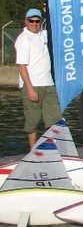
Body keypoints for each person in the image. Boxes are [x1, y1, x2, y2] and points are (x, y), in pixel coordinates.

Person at [15, 8, 62, 148]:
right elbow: (21, 66)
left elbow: (57, 25)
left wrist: (49, 10)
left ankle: (53, 147)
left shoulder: (43, 34)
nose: (34, 23)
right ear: (26, 21)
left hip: (48, 83)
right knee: (32, 120)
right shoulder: (23, 39)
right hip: (33, 85)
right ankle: (32, 149)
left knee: (55, 118)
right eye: (31, 21)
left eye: (37, 21)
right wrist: (29, 88)